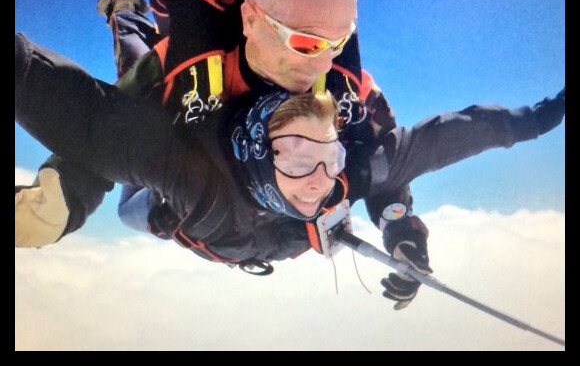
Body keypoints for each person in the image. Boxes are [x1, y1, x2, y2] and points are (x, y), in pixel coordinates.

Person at [15, 33, 565, 307]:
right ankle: (129, 21)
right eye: (301, 160)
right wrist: (63, 204)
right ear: (260, 154)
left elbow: (444, 140)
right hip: (167, 203)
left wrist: (400, 232)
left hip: (226, 229)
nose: (321, 182)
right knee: (138, 110)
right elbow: (87, 120)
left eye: (329, 160)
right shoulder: (196, 177)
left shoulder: (349, 157)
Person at [16, 0, 402, 253]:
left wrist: (399, 223)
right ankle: (127, 14)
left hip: (236, 211)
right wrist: (60, 204)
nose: (323, 65)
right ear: (250, 19)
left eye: (336, 43)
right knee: (130, 207)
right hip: (171, 156)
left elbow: (384, 153)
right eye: (305, 44)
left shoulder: (346, 89)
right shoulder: (184, 72)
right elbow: (101, 124)